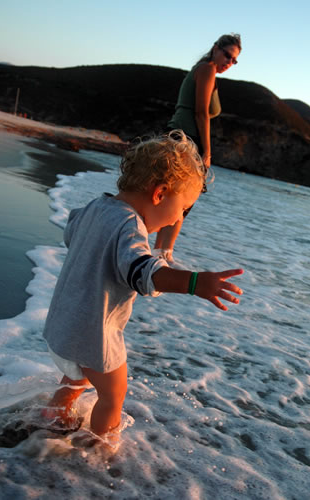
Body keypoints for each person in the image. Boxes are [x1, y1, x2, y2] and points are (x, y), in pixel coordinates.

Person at [42, 130, 244, 440]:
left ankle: (54, 414)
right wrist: (194, 282)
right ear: (160, 193)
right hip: (94, 333)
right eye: (182, 210)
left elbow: (71, 234)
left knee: (78, 375)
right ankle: (101, 447)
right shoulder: (129, 226)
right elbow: (144, 272)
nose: (177, 219)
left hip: (62, 324)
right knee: (113, 394)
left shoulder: (94, 207)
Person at [154, 33, 242, 262]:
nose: (229, 63)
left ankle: (159, 254)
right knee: (183, 200)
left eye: (234, 61)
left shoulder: (204, 69)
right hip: (186, 138)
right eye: (227, 55)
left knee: (174, 197)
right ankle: (163, 256)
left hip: (181, 135)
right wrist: (207, 151)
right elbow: (202, 113)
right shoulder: (207, 69)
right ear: (215, 48)